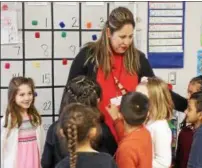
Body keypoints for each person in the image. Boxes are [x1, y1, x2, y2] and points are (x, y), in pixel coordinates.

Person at [60, 6, 188, 142]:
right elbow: (70, 95)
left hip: (129, 137)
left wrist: (187, 105)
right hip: (96, 137)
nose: (126, 42)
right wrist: (62, 130)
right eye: (122, 37)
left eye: (130, 36)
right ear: (109, 32)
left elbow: (158, 92)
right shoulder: (88, 56)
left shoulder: (138, 59)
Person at [41, 75, 117, 168]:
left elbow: (46, 163)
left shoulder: (55, 128)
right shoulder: (100, 129)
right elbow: (112, 157)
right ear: (96, 101)